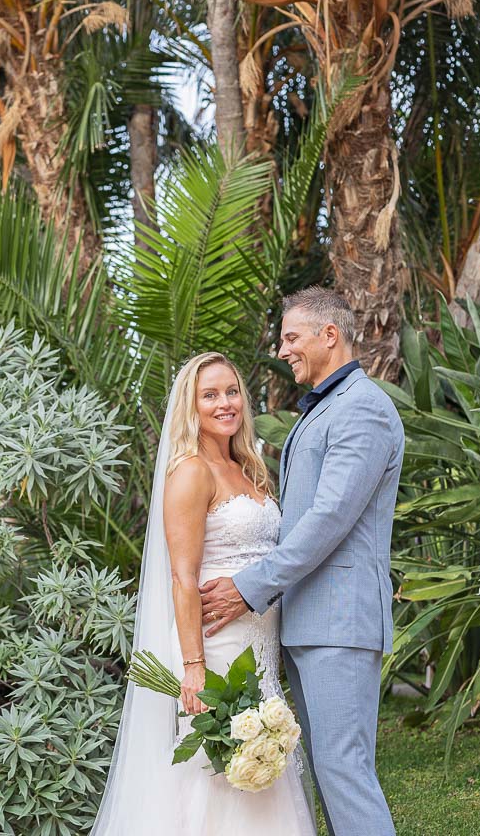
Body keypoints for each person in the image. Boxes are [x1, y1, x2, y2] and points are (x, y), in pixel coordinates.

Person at [201, 286, 405, 836]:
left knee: (344, 769)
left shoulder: (363, 408)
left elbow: (328, 520)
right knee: (325, 770)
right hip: (311, 621)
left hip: (340, 622)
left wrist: (250, 585)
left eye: (292, 337)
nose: (283, 347)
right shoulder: (325, 408)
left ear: (329, 335)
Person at [91, 351, 316, 836]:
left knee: (259, 767)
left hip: (258, 647)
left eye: (231, 391)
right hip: (214, 647)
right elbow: (181, 576)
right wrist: (192, 666)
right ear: (191, 407)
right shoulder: (191, 471)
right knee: (215, 775)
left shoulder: (248, 468)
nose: (225, 403)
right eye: (209, 395)